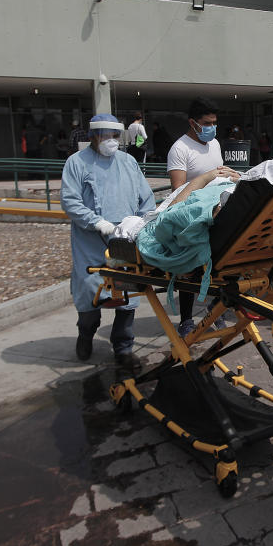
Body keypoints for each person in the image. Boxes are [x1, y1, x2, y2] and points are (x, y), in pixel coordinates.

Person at [60, 113, 155, 371]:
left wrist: (141, 223)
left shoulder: (128, 162)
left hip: (124, 238)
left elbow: (146, 199)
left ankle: (123, 347)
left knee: (128, 292)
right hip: (90, 238)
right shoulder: (76, 162)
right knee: (90, 290)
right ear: (92, 136)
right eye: (105, 136)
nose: (111, 141)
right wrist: (97, 222)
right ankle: (86, 332)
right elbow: (70, 201)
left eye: (115, 136)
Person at [167, 97, 238, 337]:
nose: (212, 128)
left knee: (221, 261)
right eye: (207, 123)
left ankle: (215, 308)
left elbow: (219, 176)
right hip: (192, 214)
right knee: (189, 267)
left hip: (215, 210)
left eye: (214, 123)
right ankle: (186, 320)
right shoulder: (180, 149)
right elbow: (178, 190)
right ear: (193, 122)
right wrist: (207, 177)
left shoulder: (214, 144)